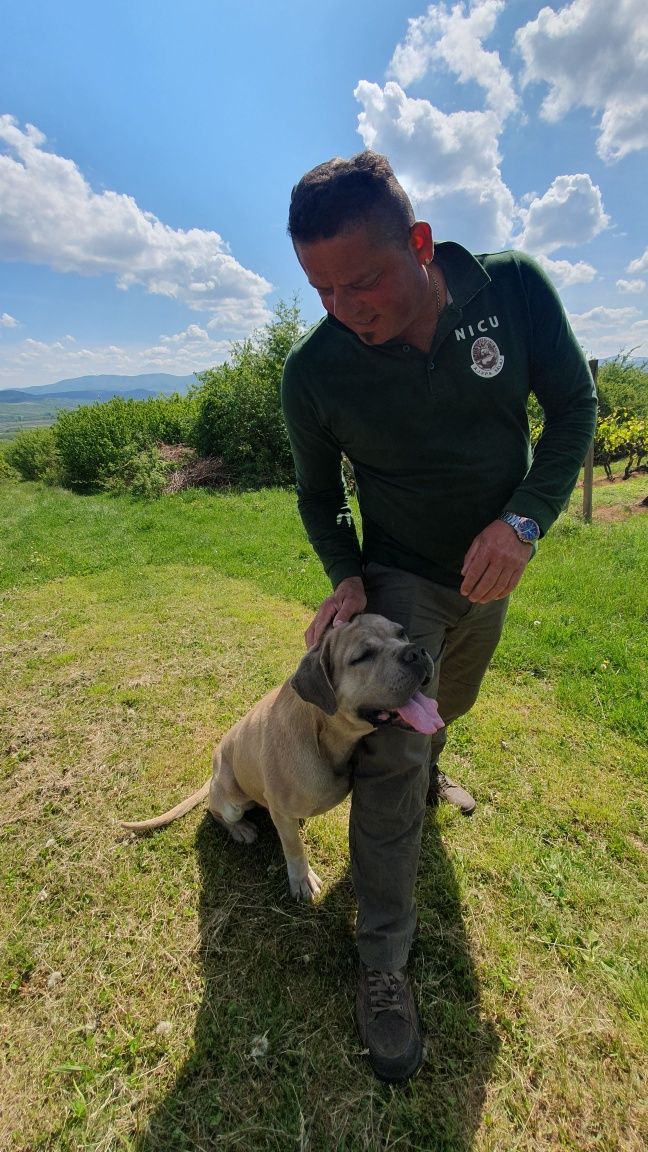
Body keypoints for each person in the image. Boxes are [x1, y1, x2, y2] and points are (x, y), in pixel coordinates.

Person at [280, 151, 597, 1083]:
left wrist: (526, 518)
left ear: (419, 244)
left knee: (444, 703)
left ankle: (427, 776)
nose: (346, 308)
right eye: (321, 289)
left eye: (364, 280)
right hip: (401, 575)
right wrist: (344, 574)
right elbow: (316, 496)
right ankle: (382, 963)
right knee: (394, 752)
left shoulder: (512, 292)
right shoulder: (317, 374)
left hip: (491, 568)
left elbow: (573, 409)